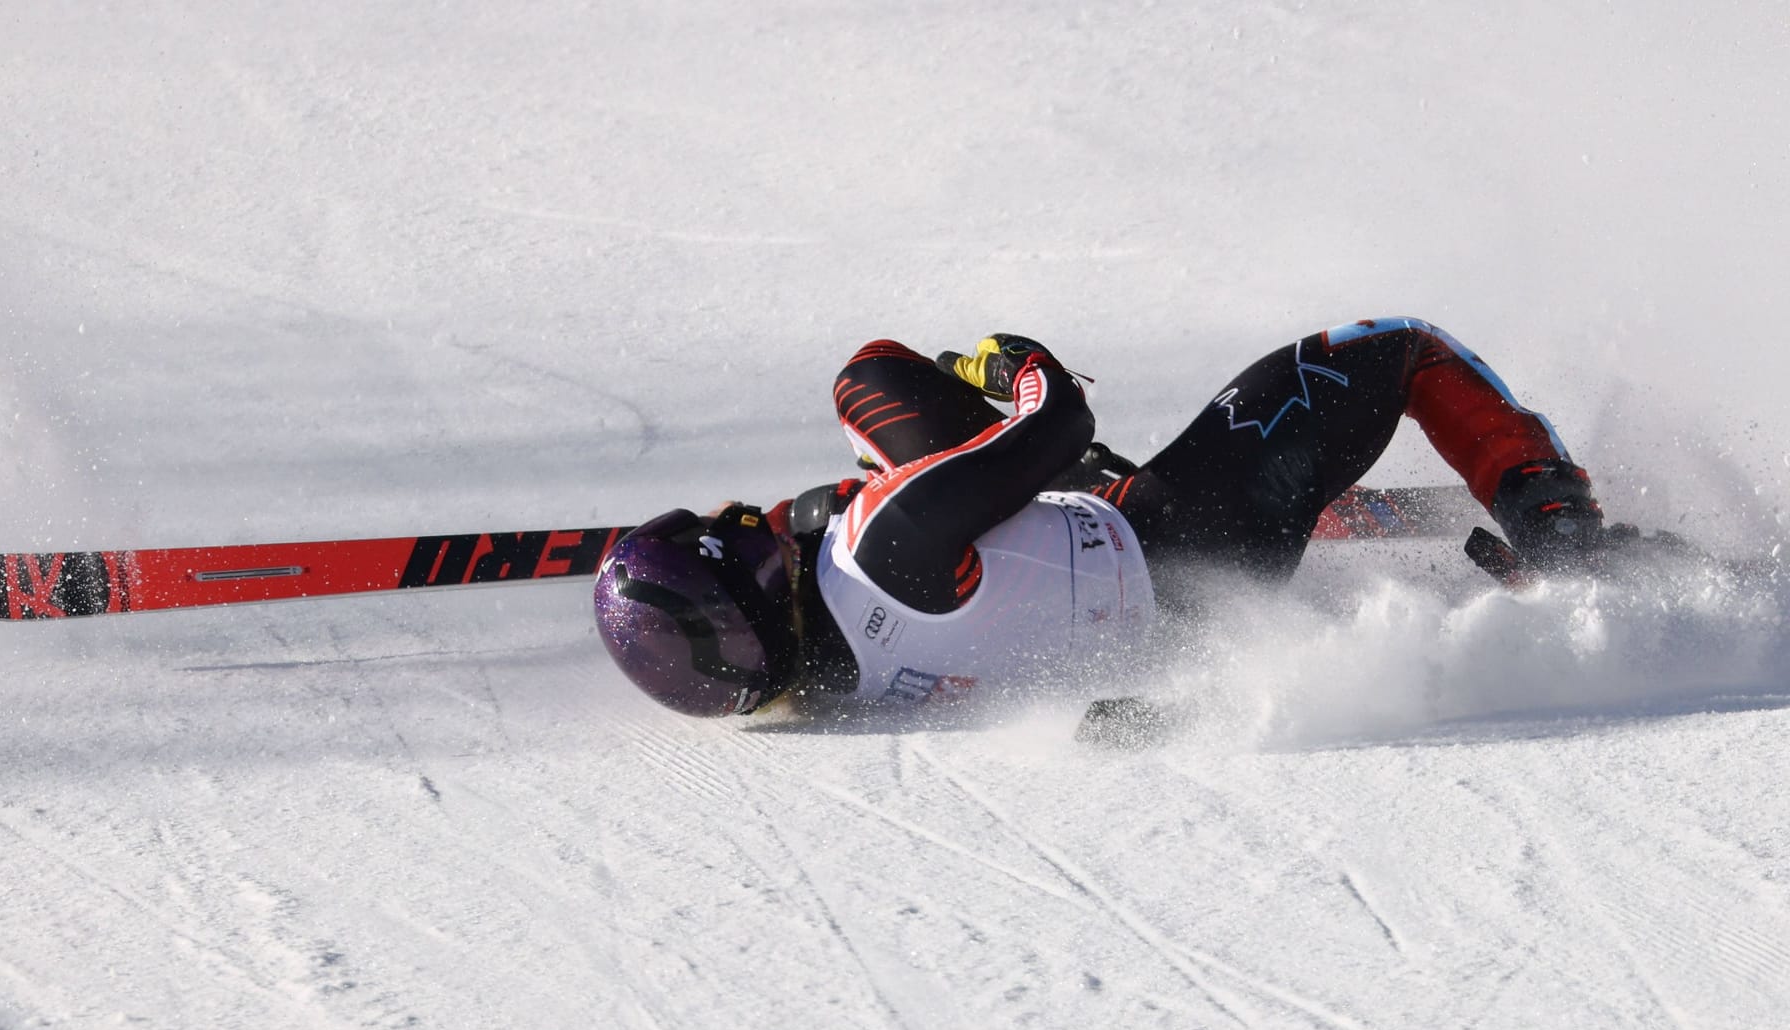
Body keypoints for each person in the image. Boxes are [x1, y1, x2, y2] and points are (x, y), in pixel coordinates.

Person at [592, 317, 1625, 718]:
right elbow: (1058, 416)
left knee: (867, 378)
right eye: (735, 523)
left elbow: (843, 529)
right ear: (751, 560)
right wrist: (1010, 365)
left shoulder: (819, 687)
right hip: (1186, 527)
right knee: (1401, 347)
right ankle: (1563, 528)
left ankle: (1050, 484)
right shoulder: (884, 536)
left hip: (1156, 625)